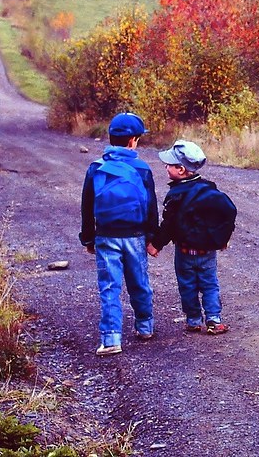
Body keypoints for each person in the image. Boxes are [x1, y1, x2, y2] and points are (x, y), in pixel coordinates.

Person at [80, 112, 159, 356]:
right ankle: (145, 327)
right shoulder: (142, 169)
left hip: (106, 237)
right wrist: (151, 237)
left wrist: (89, 238)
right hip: (135, 236)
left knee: (109, 287)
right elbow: (151, 207)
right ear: (134, 140)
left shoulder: (96, 168)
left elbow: (87, 205)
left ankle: (111, 338)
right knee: (139, 283)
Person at [152, 140, 237, 335]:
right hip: (207, 252)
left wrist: (156, 244)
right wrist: (221, 239)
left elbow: (169, 226)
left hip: (183, 253)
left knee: (187, 286)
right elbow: (228, 212)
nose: (166, 167)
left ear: (181, 170)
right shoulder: (210, 191)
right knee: (210, 285)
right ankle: (214, 320)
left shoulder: (176, 195)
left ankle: (193, 320)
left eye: (170, 165)